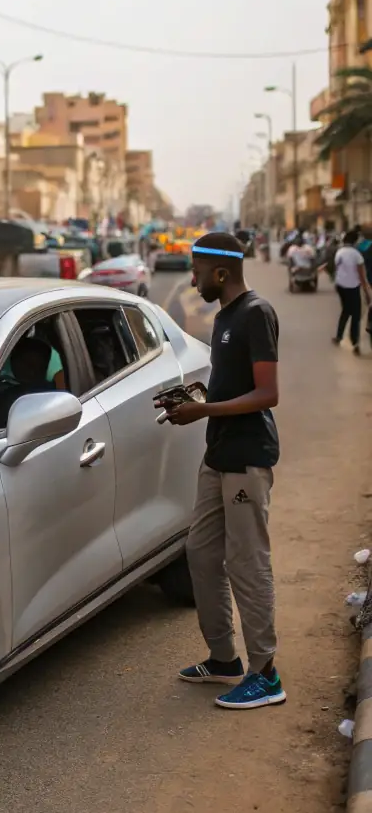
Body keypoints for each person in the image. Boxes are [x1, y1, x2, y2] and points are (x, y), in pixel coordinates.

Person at [168, 232, 284, 710]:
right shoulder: (224, 318)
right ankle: (223, 660)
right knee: (200, 551)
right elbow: (230, 386)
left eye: (196, 271)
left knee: (246, 562)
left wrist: (204, 413)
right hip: (217, 456)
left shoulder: (257, 314)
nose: (192, 280)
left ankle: (266, 673)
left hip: (246, 459)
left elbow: (267, 394)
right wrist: (197, 402)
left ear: (220, 272)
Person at [0, 335, 56, 431]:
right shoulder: (56, 393)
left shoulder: (3, 400)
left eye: (33, 365)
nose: (31, 371)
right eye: (28, 364)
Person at [332, 227, 371, 354]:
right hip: (352, 287)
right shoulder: (356, 255)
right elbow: (361, 275)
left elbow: (337, 268)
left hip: (340, 286)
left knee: (346, 310)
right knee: (356, 315)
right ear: (355, 241)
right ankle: (355, 344)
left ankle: (339, 336)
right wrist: (366, 292)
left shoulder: (340, 252)